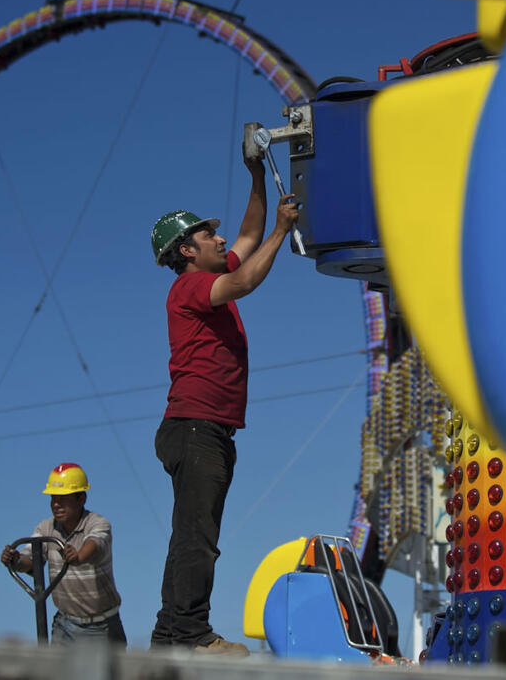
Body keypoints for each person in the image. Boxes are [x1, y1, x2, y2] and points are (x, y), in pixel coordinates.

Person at [147, 148, 300, 654]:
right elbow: (247, 278)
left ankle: (170, 635)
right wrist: (283, 230)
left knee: (188, 534)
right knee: (197, 538)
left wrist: (255, 174)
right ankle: (191, 635)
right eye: (206, 235)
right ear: (186, 251)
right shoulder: (191, 287)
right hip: (197, 426)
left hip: (199, 428)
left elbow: (248, 236)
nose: (218, 238)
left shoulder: (200, 276)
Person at [0, 463, 126, 646]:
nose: (56, 504)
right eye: (53, 498)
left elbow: (96, 544)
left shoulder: (97, 524)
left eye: (63, 498)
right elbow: (31, 560)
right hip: (64, 624)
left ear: (81, 498)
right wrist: (15, 560)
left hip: (100, 627)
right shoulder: (46, 528)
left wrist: (78, 557)